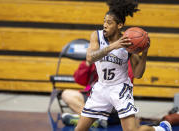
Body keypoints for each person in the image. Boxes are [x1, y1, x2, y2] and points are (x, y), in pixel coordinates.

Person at [74, 0, 172, 131]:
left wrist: (145, 53)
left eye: (109, 23)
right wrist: (114, 46)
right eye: (104, 21)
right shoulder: (96, 36)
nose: (105, 25)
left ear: (119, 25)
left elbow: (138, 74)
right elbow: (90, 58)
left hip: (120, 88)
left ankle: (161, 129)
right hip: (101, 88)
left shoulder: (129, 43)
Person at [61, 59, 134, 127]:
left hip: (111, 101)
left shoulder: (124, 59)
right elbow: (79, 80)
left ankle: (85, 120)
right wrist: (87, 64)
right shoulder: (96, 57)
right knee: (67, 94)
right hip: (93, 97)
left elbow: (126, 86)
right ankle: (95, 120)